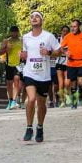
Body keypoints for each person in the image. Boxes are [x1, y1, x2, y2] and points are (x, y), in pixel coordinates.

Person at [20, 11, 60, 142]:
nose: (34, 18)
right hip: (29, 72)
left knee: (42, 104)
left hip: (43, 75)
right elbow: (25, 52)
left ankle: (40, 127)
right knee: (31, 99)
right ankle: (29, 127)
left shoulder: (48, 37)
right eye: (32, 17)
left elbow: (59, 52)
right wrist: (23, 55)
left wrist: (48, 52)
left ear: (42, 20)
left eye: (37, 16)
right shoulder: (25, 37)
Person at [59, 19, 82, 109]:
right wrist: (65, 53)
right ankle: (74, 101)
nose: (72, 28)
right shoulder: (68, 37)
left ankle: (80, 93)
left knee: (81, 82)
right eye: (71, 27)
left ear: (79, 27)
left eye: (74, 26)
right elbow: (61, 47)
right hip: (71, 63)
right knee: (73, 84)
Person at [0, 25, 23, 109]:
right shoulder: (6, 41)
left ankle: (14, 101)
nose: (14, 34)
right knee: (9, 84)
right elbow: (0, 52)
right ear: (10, 32)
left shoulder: (22, 41)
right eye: (12, 32)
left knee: (17, 81)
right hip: (9, 64)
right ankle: (10, 100)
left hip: (19, 64)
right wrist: (6, 49)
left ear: (18, 32)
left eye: (16, 32)